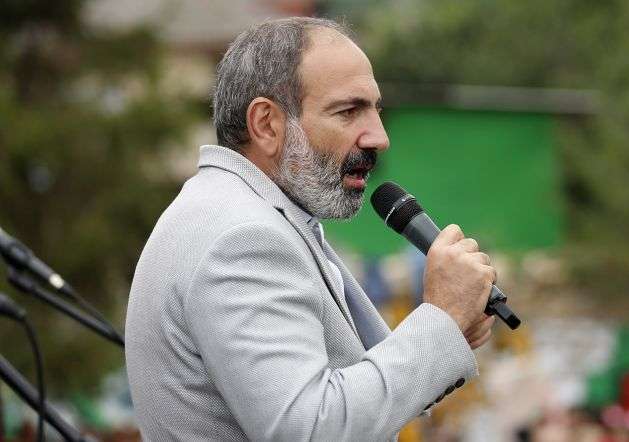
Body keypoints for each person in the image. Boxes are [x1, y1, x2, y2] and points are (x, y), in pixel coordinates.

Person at [124, 17, 496, 441]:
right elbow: (310, 428)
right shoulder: (243, 237)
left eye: (376, 110)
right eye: (349, 111)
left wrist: (448, 328)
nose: (379, 138)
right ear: (267, 124)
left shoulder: (238, 211)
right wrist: (440, 319)